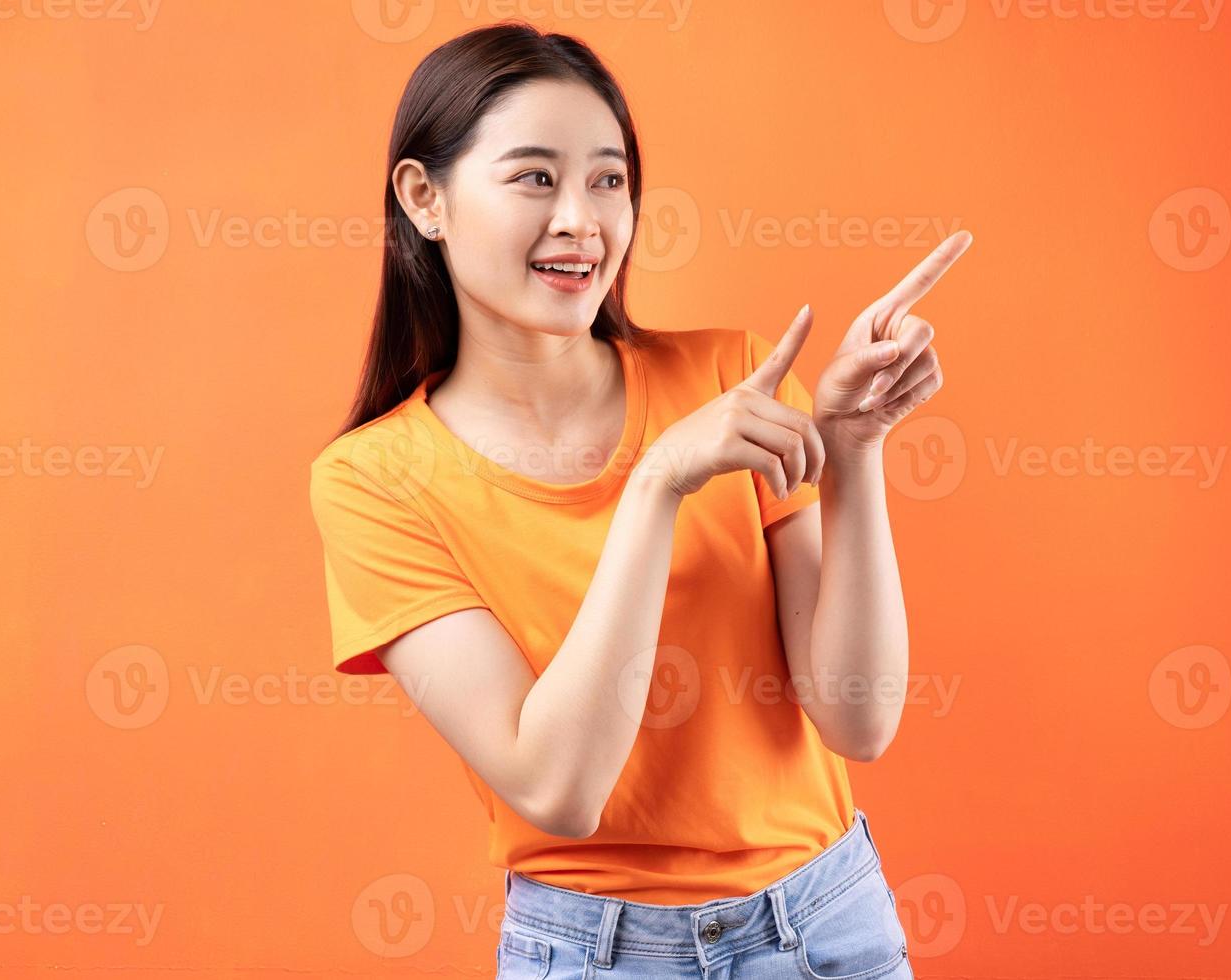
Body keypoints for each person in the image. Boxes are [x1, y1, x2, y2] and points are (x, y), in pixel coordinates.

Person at [307, 20, 969, 978]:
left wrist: (854, 453)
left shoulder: (734, 378)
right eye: (536, 177)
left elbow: (860, 719)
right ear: (425, 199)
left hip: (827, 929)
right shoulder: (375, 481)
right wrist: (656, 485)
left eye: (608, 179)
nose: (582, 219)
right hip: (595, 955)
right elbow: (559, 786)